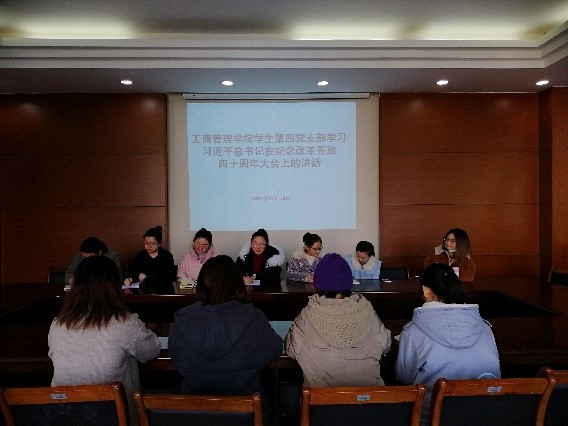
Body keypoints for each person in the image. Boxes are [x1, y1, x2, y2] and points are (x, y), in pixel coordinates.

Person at [48, 256, 161, 426]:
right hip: (115, 417)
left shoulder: (58, 324)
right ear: (114, 287)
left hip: (66, 416)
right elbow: (151, 351)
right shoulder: (124, 323)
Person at [395, 263, 500, 425]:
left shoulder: (413, 331)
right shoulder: (485, 328)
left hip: (431, 418)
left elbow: (404, 377)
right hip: (483, 415)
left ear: (426, 290)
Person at [169, 255, 283, 402]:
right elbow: (274, 349)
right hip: (247, 409)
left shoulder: (183, 318)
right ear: (238, 284)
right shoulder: (253, 316)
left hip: (193, 409)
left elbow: (176, 357)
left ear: (202, 284)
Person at [285, 253, 391, 387]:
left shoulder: (307, 315)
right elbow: (385, 346)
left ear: (318, 284)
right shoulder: (366, 310)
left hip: (322, 399)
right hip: (367, 397)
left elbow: (291, 349)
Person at [124, 225, 176, 294]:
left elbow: (168, 276)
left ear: (159, 244)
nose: (149, 246)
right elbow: (132, 272)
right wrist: (130, 279)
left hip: (162, 292)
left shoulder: (166, 256)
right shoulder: (139, 256)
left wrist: (146, 278)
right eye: (146, 243)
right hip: (142, 292)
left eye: (152, 243)